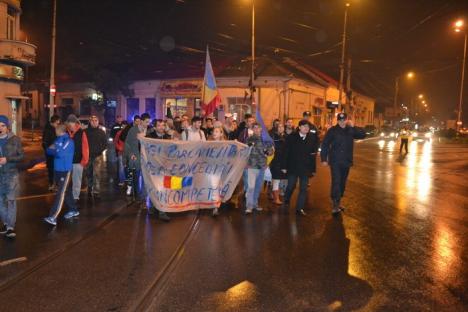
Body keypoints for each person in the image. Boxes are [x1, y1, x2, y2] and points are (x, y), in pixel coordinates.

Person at [320, 113, 366, 216]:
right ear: (337, 120)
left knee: (342, 182)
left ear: (346, 120)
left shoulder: (351, 130)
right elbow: (325, 144)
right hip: (335, 161)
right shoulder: (332, 131)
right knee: (336, 181)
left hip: (346, 161)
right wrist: (324, 158)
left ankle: (338, 200)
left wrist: (354, 126)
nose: (341, 121)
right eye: (340, 120)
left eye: (343, 119)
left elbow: (363, 135)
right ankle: (335, 204)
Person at [281, 120, 319, 216]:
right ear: (299, 127)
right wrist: (284, 166)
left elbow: (312, 155)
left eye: (308, 127)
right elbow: (285, 153)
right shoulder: (291, 138)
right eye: (304, 126)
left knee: (303, 188)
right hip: (293, 166)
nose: (306, 128)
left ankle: (299, 208)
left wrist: (313, 169)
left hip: (305, 168)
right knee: (291, 186)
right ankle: (286, 199)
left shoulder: (311, 138)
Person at [44, 124, 79, 226]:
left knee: (61, 193)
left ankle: (53, 217)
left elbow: (59, 153)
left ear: (60, 130)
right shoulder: (58, 139)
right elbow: (48, 150)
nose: (55, 131)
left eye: (56, 129)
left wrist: (55, 150)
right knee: (65, 191)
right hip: (57, 170)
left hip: (65, 170)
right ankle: (73, 209)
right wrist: (56, 150)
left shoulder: (68, 141)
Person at [0, 115, 24, 238]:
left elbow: (21, 156)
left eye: (3, 125)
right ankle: (5, 222)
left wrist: (7, 159)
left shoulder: (15, 139)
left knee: (11, 201)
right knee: (0, 202)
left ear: (7, 127)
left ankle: (10, 226)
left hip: (11, 174)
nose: (0, 128)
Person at [145, 119, 171, 221]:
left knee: (163, 189)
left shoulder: (168, 138)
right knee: (154, 187)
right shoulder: (149, 137)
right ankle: (153, 205)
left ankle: (162, 210)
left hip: (165, 168)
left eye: (163, 125)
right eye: (159, 125)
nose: (161, 127)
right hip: (153, 167)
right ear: (155, 127)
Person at [245, 123, 274, 214]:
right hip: (252, 166)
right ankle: (249, 206)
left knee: (257, 187)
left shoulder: (265, 140)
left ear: (261, 129)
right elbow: (244, 151)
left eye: (258, 128)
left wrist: (268, 151)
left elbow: (271, 151)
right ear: (252, 129)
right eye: (255, 128)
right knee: (251, 187)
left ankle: (255, 204)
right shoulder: (249, 139)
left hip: (262, 167)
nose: (257, 130)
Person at [124, 113, 151, 197]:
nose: (148, 124)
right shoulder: (133, 130)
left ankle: (143, 195)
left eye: (149, 122)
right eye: (146, 122)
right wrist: (131, 154)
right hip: (136, 157)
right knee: (136, 176)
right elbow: (127, 143)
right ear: (141, 121)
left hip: (146, 158)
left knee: (145, 178)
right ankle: (136, 195)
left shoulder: (149, 130)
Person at [66, 115, 89, 202]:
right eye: (69, 124)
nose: (70, 126)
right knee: (66, 181)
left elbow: (85, 147)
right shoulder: (66, 132)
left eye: (71, 124)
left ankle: (75, 196)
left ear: (75, 123)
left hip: (78, 161)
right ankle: (66, 195)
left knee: (77, 180)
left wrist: (84, 160)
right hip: (67, 161)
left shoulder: (81, 132)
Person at [85, 115, 107, 197]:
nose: (94, 122)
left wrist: (99, 150)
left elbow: (105, 144)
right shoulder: (85, 132)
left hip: (97, 156)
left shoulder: (101, 132)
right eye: (92, 120)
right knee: (88, 173)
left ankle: (96, 190)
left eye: (96, 120)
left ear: (98, 122)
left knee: (97, 173)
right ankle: (89, 187)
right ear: (90, 122)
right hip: (88, 156)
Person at [269, 123, 287, 205]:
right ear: (276, 128)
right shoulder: (273, 137)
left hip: (282, 161)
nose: (281, 128)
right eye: (279, 126)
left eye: (282, 126)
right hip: (275, 161)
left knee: (278, 180)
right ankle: (276, 198)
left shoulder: (286, 137)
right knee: (276, 180)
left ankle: (275, 196)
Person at [42, 115, 61, 191]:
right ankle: (51, 184)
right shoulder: (48, 130)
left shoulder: (56, 129)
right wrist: (49, 151)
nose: (58, 125)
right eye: (57, 123)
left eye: (59, 123)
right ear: (52, 122)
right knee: (51, 169)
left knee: (57, 169)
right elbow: (44, 143)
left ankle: (56, 184)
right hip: (51, 155)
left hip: (57, 153)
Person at [114, 121, 128, 186]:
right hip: (121, 152)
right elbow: (115, 141)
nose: (124, 127)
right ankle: (122, 180)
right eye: (123, 125)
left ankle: (127, 180)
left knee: (127, 167)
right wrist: (119, 148)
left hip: (128, 153)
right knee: (121, 167)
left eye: (125, 125)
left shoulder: (129, 133)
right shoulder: (119, 133)